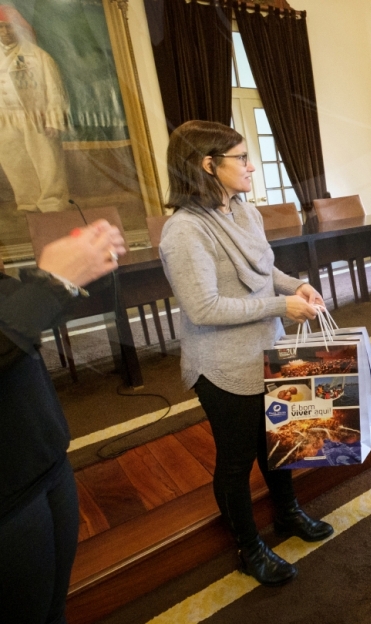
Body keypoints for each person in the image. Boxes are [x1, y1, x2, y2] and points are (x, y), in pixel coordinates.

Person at [159, 120, 333, 588]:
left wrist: (294, 284)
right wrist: (282, 304)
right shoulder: (184, 230)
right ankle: (249, 546)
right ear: (207, 165)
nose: (251, 166)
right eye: (241, 159)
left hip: (265, 352)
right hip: (221, 366)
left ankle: (287, 513)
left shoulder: (244, 212)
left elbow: (265, 268)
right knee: (236, 462)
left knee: (278, 443)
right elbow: (204, 307)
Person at [0, 219, 126, 623]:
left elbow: (15, 328)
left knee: (53, 609)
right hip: (8, 490)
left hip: (45, 455)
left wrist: (71, 280)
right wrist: (50, 284)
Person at [0, 6, 69, 213]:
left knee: (47, 162)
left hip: (35, 118)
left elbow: (55, 90)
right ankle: (27, 202)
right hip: (5, 120)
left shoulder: (37, 57)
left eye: (9, 28)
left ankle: (53, 202)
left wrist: (53, 120)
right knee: (16, 163)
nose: (4, 32)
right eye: (0, 28)